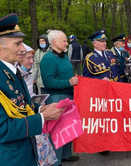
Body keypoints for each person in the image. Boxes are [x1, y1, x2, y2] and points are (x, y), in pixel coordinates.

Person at [0, 13, 64, 166]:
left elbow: (21, 106)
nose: (23, 49)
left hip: (24, 152)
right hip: (10, 158)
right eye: (18, 44)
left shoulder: (11, 71)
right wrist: (42, 118)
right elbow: (3, 130)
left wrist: (40, 108)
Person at [40, 30, 79, 165]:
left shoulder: (64, 57)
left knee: (67, 126)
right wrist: (68, 82)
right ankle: (56, 161)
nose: (66, 43)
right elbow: (48, 82)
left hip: (68, 95)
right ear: (54, 42)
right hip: (56, 97)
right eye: (64, 41)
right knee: (57, 130)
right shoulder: (48, 58)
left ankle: (66, 154)